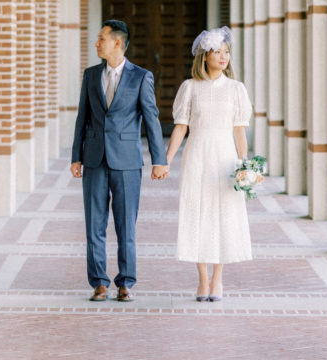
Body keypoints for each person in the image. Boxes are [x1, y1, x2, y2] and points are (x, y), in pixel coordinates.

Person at [70, 19, 169, 302]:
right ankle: (99, 282)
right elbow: (82, 118)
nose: (96, 43)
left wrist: (158, 160)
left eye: (101, 38)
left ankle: (126, 282)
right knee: (94, 224)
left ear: (117, 42)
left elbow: (151, 118)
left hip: (127, 161)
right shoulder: (90, 75)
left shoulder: (141, 77)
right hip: (94, 159)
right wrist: (76, 156)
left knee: (126, 225)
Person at [165, 25, 252, 302]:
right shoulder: (189, 88)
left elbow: (240, 130)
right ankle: (202, 279)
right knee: (196, 213)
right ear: (204, 56)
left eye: (226, 52)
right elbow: (180, 128)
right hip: (197, 155)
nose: (223, 57)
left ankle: (218, 279)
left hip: (225, 157)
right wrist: (164, 161)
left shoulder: (236, 89)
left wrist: (245, 165)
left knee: (224, 214)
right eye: (217, 52)